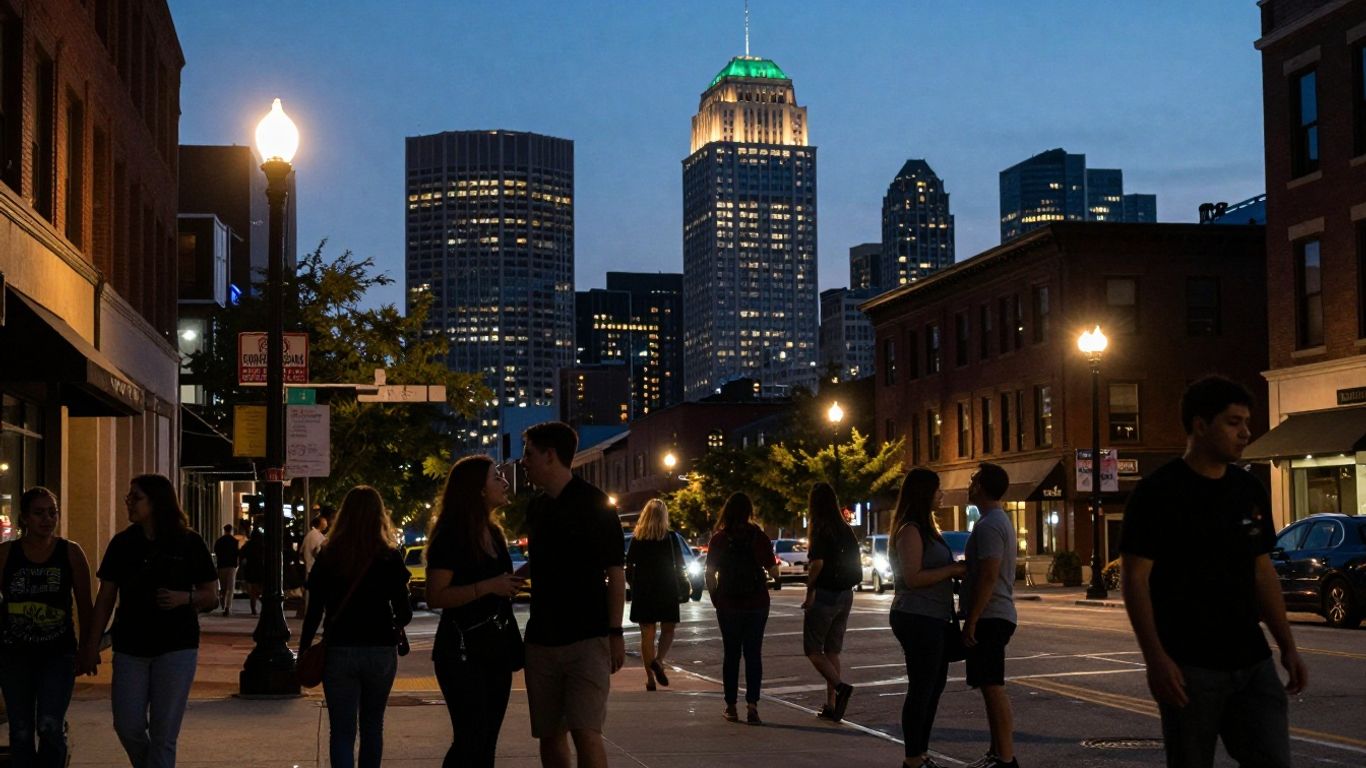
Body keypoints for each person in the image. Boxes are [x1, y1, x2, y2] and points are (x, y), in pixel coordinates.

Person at [1121, 376, 1306, 768]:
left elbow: (1261, 570)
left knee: (1273, 760)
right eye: (1233, 422)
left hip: (1252, 660)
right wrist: (1155, 658)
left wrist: (1287, 645)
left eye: (1246, 422)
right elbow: (1135, 579)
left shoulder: (1248, 489)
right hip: (1190, 667)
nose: (1245, 433)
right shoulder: (1159, 493)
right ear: (1201, 425)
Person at [84, 474, 219, 768]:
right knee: (127, 725)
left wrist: (185, 598)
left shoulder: (188, 542)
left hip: (176, 647)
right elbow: (105, 598)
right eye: (128, 497)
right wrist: (91, 644)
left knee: (163, 733)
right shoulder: (122, 544)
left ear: (157, 501)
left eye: (136, 497)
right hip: (131, 647)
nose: (128, 502)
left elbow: (212, 595)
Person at [520, 421, 625, 768]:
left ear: (550, 456)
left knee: (586, 730)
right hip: (541, 640)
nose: (524, 462)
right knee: (549, 734)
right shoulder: (536, 508)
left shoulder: (595, 505)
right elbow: (537, 563)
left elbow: (615, 572)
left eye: (529, 454)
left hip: (587, 638)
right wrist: (506, 582)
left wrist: (615, 633)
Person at [299, 485, 412, 768]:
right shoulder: (389, 557)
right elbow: (405, 612)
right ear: (379, 516)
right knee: (373, 726)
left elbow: (313, 611)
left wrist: (304, 649)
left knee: (342, 731)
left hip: (339, 648)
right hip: (379, 649)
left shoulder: (328, 556)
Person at [425, 456, 525, 768]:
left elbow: (497, 585)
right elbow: (435, 596)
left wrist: (508, 584)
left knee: (488, 741)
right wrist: (488, 586)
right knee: (471, 738)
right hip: (462, 651)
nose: (505, 482)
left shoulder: (494, 534)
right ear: (477, 489)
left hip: (497, 647)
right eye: (497, 477)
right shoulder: (451, 535)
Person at [0, 487, 95, 767]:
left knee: (50, 725)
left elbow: (85, 604)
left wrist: (88, 648)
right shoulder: (6, 554)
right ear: (25, 517)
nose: (47, 519)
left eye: (52, 512)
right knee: (20, 730)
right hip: (14, 653)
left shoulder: (71, 553)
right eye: (39, 513)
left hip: (58, 652)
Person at [888, 469, 967, 768]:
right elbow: (913, 577)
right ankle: (912, 758)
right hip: (916, 617)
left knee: (934, 687)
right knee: (922, 688)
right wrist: (953, 571)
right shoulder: (910, 529)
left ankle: (920, 753)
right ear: (924, 493)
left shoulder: (927, 527)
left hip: (934, 617)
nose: (942, 495)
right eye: (937, 490)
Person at [960, 462, 1019, 768]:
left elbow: (989, 575)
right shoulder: (994, 521)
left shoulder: (990, 525)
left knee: (993, 686)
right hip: (993, 613)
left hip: (991, 615)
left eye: (973, 480)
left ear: (981, 487)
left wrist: (972, 620)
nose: (970, 485)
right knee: (988, 685)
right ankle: (997, 753)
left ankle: (1006, 758)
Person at [704, 492, 778, 725]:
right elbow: (774, 572)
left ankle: (731, 706)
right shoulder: (759, 537)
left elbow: (709, 573)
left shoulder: (719, 539)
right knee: (753, 654)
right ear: (749, 512)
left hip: (729, 604)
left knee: (731, 655)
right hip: (757, 604)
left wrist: (717, 598)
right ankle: (753, 705)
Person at [801, 482, 861, 721]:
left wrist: (809, 590)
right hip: (846, 593)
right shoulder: (845, 529)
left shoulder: (821, 529)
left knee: (813, 650)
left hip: (825, 594)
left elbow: (817, 563)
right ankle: (832, 705)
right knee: (833, 650)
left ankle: (839, 687)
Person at [625, 498, 681, 692]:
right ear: (664, 516)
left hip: (644, 591)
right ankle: (659, 660)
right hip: (666, 588)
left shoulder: (637, 539)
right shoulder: (671, 537)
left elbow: (629, 566)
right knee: (668, 629)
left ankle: (650, 679)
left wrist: (635, 585)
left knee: (646, 636)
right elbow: (680, 565)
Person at [298, 510, 331, 619]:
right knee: (316, 599)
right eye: (325, 521)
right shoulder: (317, 536)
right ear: (321, 523)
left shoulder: (310, 535)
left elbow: (301, 552)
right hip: (314, 568)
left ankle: (304, 611)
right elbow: (319, 551)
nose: (327, 523)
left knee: (310, 597)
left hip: (309, 566)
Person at [212, 524, 239, 616]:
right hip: (231, 566)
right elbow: (237, 554)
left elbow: (216, 552)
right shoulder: (234, 541)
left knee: (223, 587)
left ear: (224, 530)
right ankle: (228, 606)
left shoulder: (219, 541)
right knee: (230, 588)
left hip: (221, 566)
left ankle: (222, 602)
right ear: (231, 530)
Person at [239, 528, 265, 616]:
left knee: (253, 592)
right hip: (260, 569)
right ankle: (263, 603)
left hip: (250, 569)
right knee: (261, 589)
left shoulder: (248, 545)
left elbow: (241, 555)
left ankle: (253, 608)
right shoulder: (262, 545)